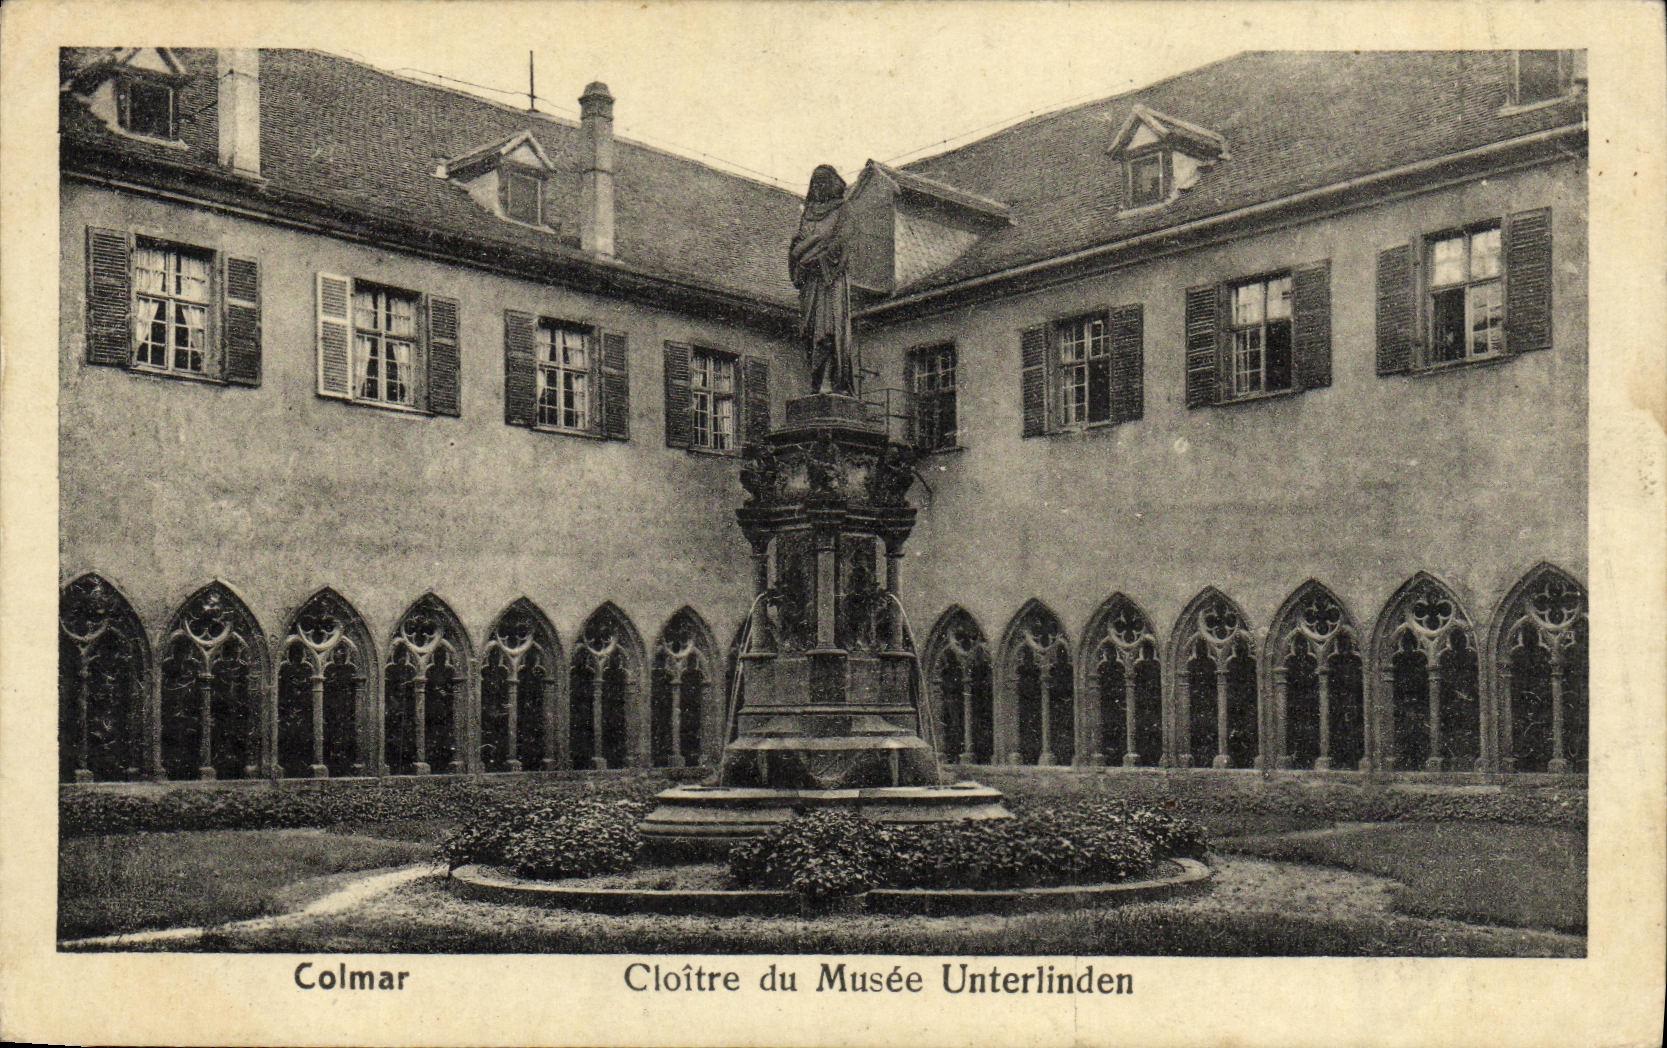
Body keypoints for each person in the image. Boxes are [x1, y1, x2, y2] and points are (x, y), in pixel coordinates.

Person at [788, 164, 855, 394]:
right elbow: (798, 245)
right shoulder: (807, 213)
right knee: (809, 332)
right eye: (814, 183)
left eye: (822, 183)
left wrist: (815, 258)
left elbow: (841, 245)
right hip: (810, 283)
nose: (817, 188)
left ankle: (832, 384)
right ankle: (816, 385)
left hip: (830, 281)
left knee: (828, 332)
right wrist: (799, 252)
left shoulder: (843, 209)